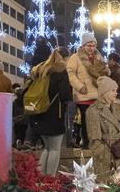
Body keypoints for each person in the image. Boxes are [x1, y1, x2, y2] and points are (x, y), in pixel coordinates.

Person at [23, 42, 71, 175]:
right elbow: (65, 94)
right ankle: (50, 179)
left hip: (39, 112)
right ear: (65, 58)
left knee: (47, 148)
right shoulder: (60, 71)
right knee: (55, 149)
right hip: (55, 114)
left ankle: (41, 176)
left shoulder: (41, 70)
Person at [68, 33, 108, 149]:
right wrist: (79, 86)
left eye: (93, 45)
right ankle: (86, 143)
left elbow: (105, 72)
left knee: (97, 120)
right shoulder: (75, 57)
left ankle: (97, 142)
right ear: (83, 45)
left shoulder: (99, 57)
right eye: (89, 45)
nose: (91, 48)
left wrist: (106, 71)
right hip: (84, 95)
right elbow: (71, 74)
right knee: (86, 121)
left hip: (97, 94)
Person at [85, 75, 120, 177]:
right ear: (104, 92)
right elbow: (94, 139)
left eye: (116, 90)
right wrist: (104, 155)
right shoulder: (93, 110)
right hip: (105, 158)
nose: (116, 93)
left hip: (118, 154)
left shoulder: (114, 109)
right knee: (105, 187)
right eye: (113, 90)